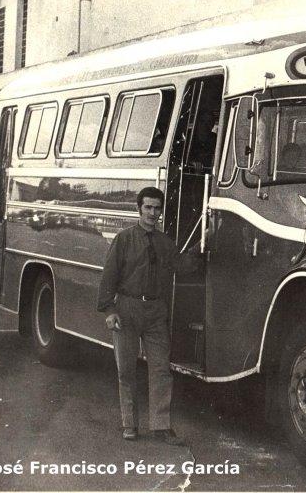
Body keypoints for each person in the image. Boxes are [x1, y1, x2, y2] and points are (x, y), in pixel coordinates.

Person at [97, 186, 196, 444]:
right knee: (126, 371)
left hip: (155, 312)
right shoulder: (124, 239)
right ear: (138, 208)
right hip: (127, 309)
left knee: (161, 370)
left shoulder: (165, 244)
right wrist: (109, 310)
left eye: (157, 208)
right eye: (148, 207)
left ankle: (161, 426)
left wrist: (202, 244)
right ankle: (129, 425)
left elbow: (182, 265)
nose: (153, 213)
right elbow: (109, 276)